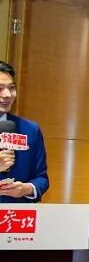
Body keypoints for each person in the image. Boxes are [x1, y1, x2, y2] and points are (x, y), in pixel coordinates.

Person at [0, 60, 49, 202]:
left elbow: (41, 178)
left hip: (16, 213)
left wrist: (27, 189)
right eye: (0, 88)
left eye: (11, 88)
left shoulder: (29, 130)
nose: (7, 94)